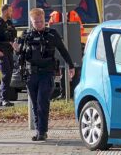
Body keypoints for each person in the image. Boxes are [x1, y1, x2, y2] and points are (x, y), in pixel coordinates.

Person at [13, 8, 75, 141]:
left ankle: (42, 131)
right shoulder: (26, 35)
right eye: (36, 22)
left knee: (42, 102)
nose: (39, 24)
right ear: (31, 22)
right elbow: (21, 55)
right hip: (31, 74)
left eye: (41, 21)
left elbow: (63, 50)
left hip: (46, 74)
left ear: (45, 20)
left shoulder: (52, 34)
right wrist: (17, 50)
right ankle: (39, 130)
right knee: (35, 103)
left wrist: (71, 65)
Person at [0, 4, 17, 107]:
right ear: (5, 11)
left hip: (9, 51)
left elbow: (13, 35)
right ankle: (4, 99)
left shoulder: (9, 23)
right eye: (10, 11)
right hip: (0, 52)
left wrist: (14, 43)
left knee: (9, 73)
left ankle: (4, 98)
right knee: (7, 73)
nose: (11, 13)